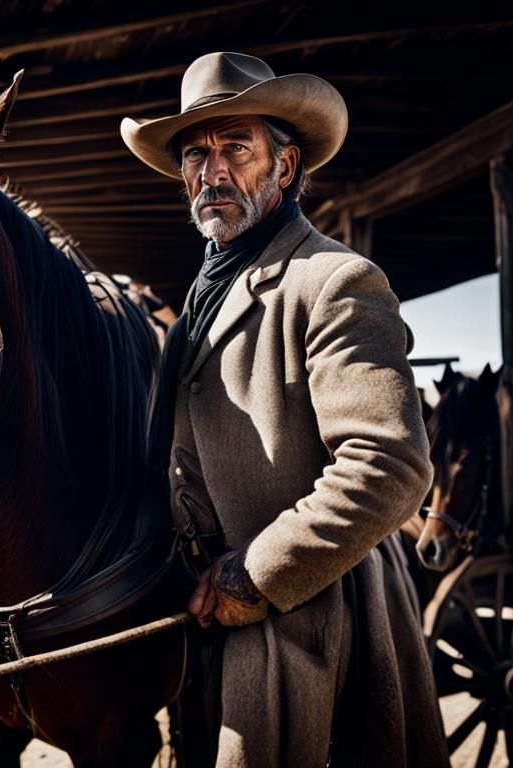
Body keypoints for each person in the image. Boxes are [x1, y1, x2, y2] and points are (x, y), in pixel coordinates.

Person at [120, 52, 447, 766]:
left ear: (286, 165)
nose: (213, 171)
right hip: (206, 625)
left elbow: (389, 466)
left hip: (312, 628)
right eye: (195, 155)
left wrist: (255, 576)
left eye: (236, 149)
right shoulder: (200, 301)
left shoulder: (335, 281)